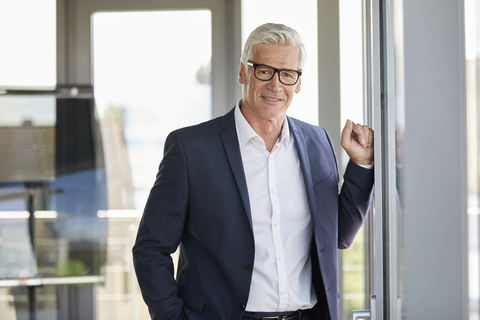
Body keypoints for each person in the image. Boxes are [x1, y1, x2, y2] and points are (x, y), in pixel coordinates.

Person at [133, 23, 374, 320]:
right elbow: (150, 248)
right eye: (264, 71)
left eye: (287, 75)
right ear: (243, 73)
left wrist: (362, 165)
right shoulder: (190, 148)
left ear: (298, 83)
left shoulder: (317, 141)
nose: (275, 85)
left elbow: (336, 234)